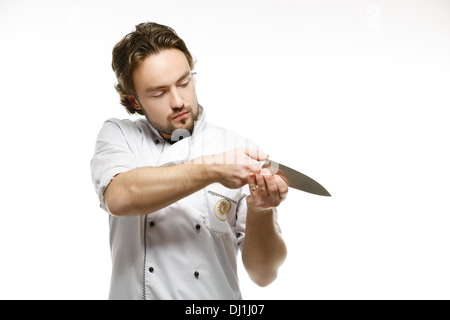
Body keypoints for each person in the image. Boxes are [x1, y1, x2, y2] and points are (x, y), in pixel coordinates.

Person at [90, 22, 288, 300]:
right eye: (159, 92)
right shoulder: (120, 136)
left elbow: (263, 274)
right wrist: (211, 170)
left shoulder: (239, 150)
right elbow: (121, 197)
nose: (178, 101)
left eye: (184, 83)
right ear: (134, 101)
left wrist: (262, 210)